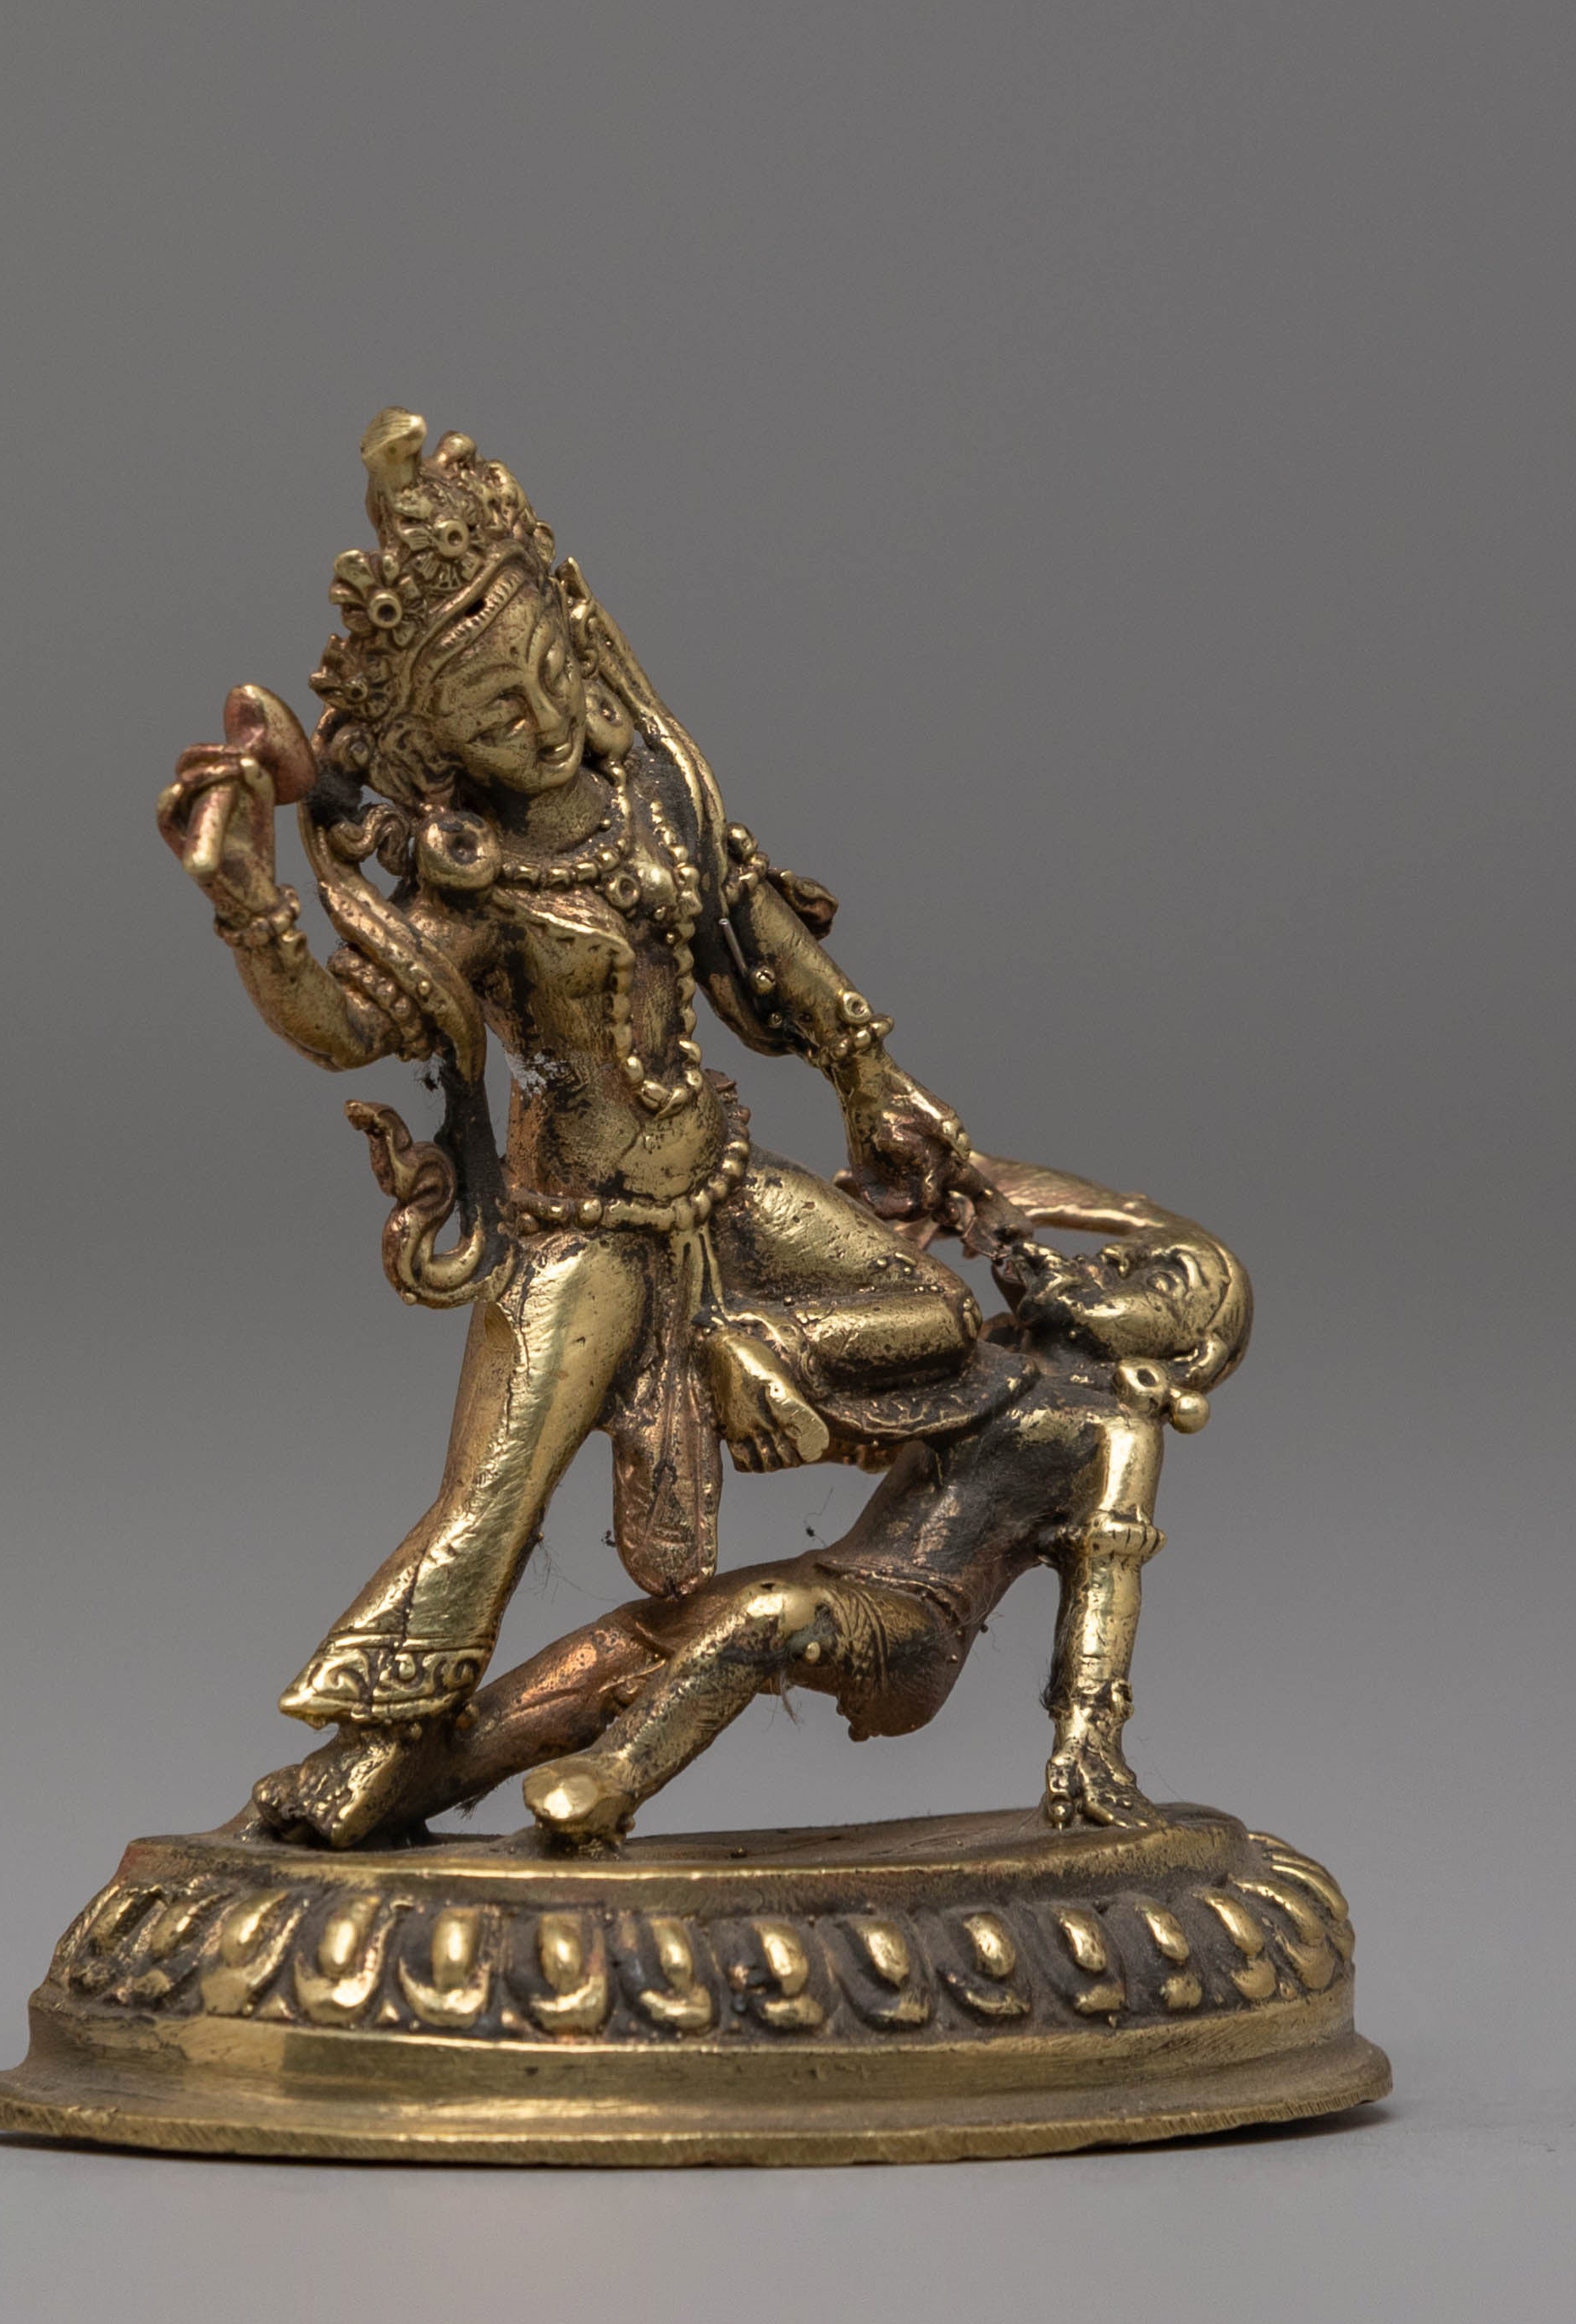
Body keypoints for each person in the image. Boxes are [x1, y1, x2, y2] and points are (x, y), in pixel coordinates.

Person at [158, 412, 998, 1846]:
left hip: (720, 1192)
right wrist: (250, 905)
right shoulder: (468, 886)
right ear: (438, 750)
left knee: (939, 1327)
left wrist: (870, 1074)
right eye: (497, 717)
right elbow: (350, 1024)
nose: (543, 722)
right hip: (583, 1238)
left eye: (551, 676)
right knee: (492, 1501)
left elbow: (751, 931)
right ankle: (372, 1751)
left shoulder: (649, 799)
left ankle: (751, 1375)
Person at [248, 1226, 1250, 1848]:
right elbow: (861, 1423)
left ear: (1188, 1349)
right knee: (619, 1644)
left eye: (1155, 1278)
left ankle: (611, 1783)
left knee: (765, 1615)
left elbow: (1105, 1582)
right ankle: (404, 1786)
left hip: (914, 1630)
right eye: (1119, 1253)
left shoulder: (1113, 1431)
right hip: (829, 1578)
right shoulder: (984, 1357)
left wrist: (1086, 1740)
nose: (1108, 1263)